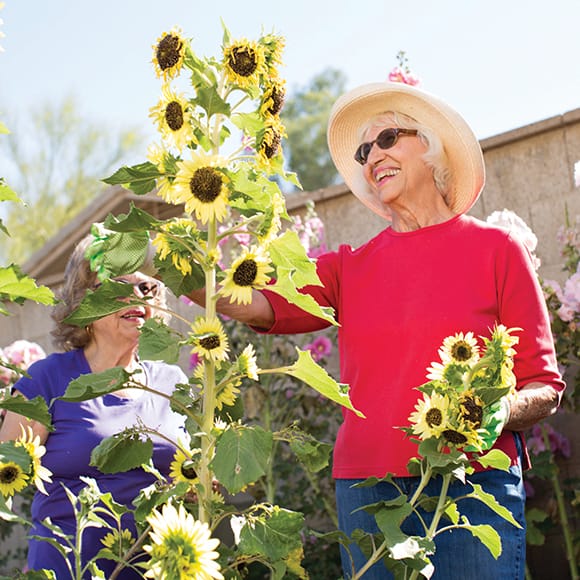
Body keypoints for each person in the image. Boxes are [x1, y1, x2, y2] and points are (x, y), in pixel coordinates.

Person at [188, 81, 565, 579]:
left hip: (472, 487)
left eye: (387, 139)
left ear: (431, 146)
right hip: (369, 492)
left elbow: (545, 386)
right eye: (364, 150)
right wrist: (170, 263)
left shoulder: (498, 250)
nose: (371, 157)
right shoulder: (348, 269)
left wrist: (498, 409)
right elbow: (254, 303)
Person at [0, 234, 188, 579]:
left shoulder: (172, 383)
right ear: (85, 301)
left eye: (146, 287)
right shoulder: (48, 380)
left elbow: (192, 480)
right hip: (68, 569)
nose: (137, 297)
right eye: (119, 285)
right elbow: (3, 470)